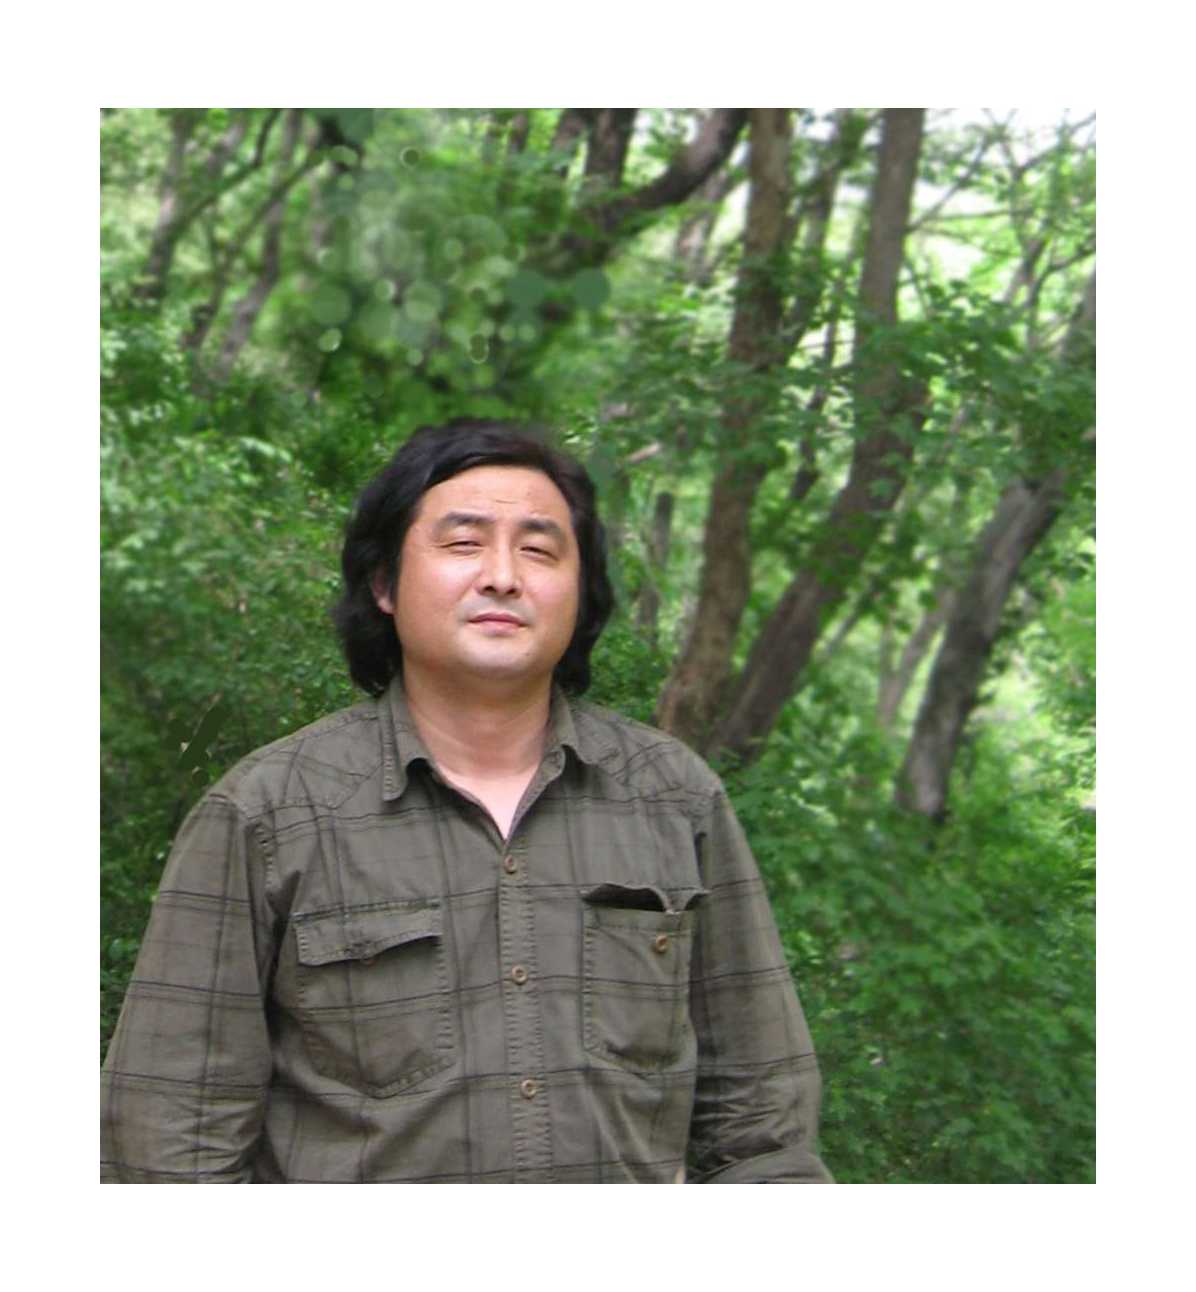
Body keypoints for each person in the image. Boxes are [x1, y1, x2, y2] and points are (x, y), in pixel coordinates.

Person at [101, 418, 832, 1183]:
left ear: (581, 593)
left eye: (540, 550)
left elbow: (762, 1128)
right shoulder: (266, 815)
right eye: (463, 543)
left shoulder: (675, 800)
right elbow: (166, 1146)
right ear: (384, 584)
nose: (503, 576)